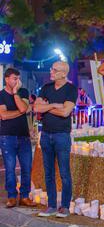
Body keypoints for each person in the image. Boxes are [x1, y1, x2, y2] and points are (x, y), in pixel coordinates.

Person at [33, 61, 78, 218]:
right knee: (48, 173)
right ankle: (51, 205)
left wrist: (48, 107)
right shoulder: (46, 88)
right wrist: (54, 105)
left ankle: (64, 207)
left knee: (65, 173)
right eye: (52, 69)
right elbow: (36, 108)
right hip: (45, 135)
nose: (51, 71)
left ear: (63, 73)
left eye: (54, 69)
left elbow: (66, 112)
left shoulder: (71, 89)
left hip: (61, 136)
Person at [0, 68, 36, 208]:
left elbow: (24, 108)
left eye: (18, 78)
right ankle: (12, 196)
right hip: (6, 136)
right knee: (10, 168)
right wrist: (20, 112)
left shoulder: (23, 92)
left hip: (23, 136)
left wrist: (15, 93)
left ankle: (25, 196)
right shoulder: (1, 95)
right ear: (6, 79)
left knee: (27, 167)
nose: (17, 81)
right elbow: (3, 115)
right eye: (14, 78)